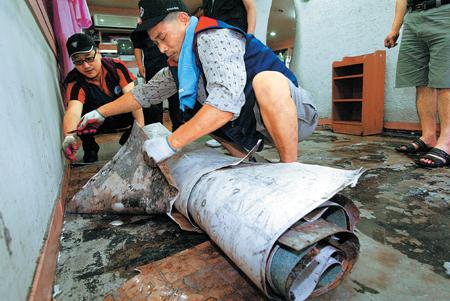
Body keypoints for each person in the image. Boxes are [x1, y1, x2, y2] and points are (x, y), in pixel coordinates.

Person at [76, 0, 318, 164]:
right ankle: (247, 165)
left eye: (162, 37)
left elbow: (224, 104)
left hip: (297, 116)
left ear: (183, 19)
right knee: (197, 113)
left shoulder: (212, 36)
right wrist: (99, 112)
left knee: (265, 82)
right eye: (155, 43)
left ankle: (290, 170)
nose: (161, 48)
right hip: (257, 126)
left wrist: (172, 142)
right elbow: (144, 94)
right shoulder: (182, 64)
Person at [385, 0, 450, 167]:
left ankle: (447, 142)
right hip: (413, 18)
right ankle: (428, 136)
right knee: (420, 81)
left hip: (444, 12)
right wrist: (395, 28)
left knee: (446, 80)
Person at [62, 33, 144, 163]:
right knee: (81, 118)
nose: (86, 66)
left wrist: (139, 132)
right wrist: (69, 137)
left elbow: (133, 98)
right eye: (78, 61)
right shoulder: (75, 81)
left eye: (89, 58)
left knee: (150, 107)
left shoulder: (116, 67)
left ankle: (129, 137)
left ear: (98, 52)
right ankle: (90, 148)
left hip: (121, 115)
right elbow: (73, 111)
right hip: (98, 124)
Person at [131, 29, 183, 130]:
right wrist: (140, 65)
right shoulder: (141, 29)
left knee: (175, 101)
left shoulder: (165, 24)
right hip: (151, 67)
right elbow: (137, 47)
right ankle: (156, 131)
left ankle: (178, 130)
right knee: (154, 102)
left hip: (170, 65)